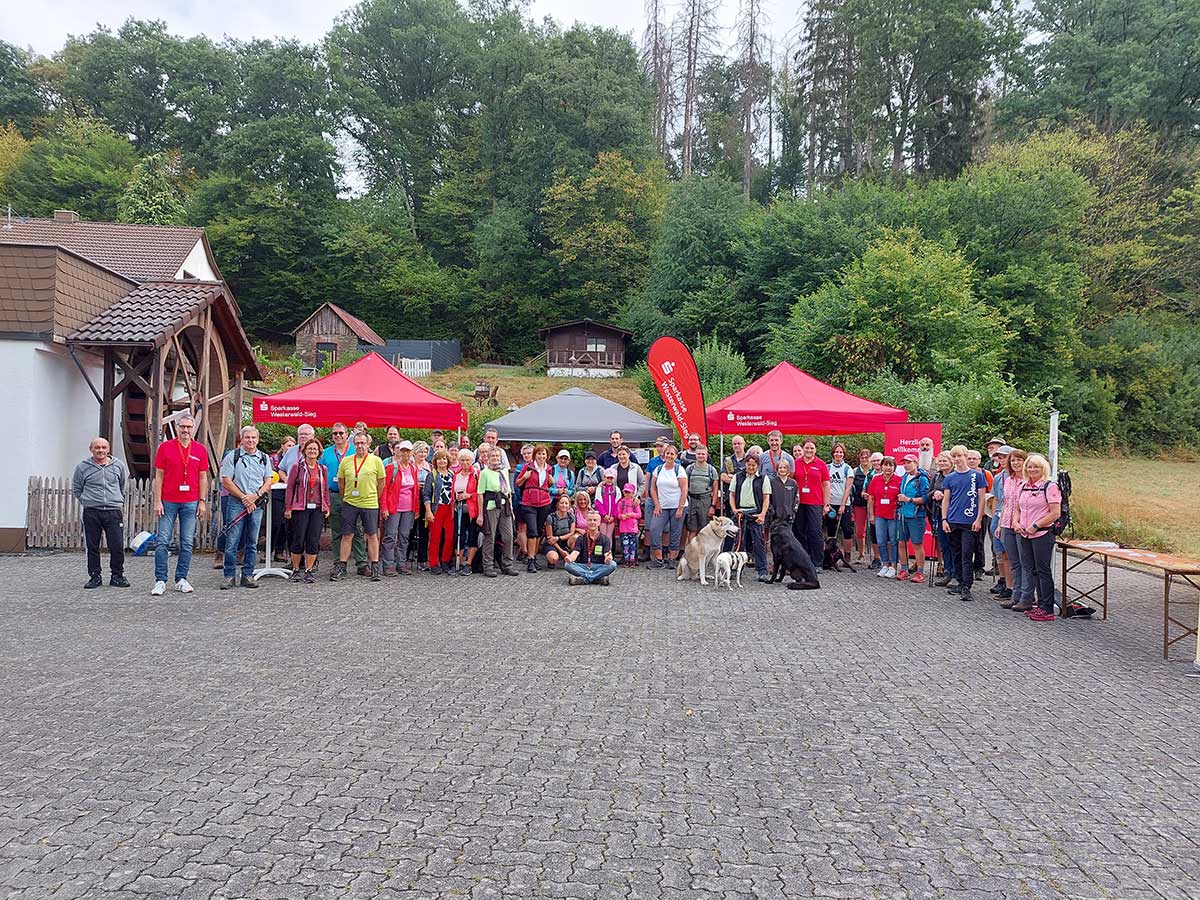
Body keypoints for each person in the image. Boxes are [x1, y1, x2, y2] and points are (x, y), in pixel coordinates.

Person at [150, 414, 209, 595]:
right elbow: (158, 476)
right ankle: (160, 580)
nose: (185, 430)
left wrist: (202, 501)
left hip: (190, 501)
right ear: (177, 428)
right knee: (162, 541)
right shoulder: (165, 448)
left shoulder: (200, 450)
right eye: (182, 427)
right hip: (168, 501)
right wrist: (157, 500)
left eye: (188, 427)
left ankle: (181, 578)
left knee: (187, 542)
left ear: (193, 429)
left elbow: (203, 477)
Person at [218, 426, 273, 590]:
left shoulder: (264, 457)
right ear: (241, 439)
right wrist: (244, 497)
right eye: (247, 437)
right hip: (236, 502)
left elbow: (268, 480)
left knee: (252, 541)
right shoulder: (232, 456)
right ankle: (229, 576)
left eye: (253, 438)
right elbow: (226, 480)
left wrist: (255, 496)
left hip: (256, 502)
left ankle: (247, 575)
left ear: (258, 439)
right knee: (233, 540)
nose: (250, 440)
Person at [72, 437, 130, 588]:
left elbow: (122, 485)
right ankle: (95, 576)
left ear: (108, 449)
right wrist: (88, 501)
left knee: (117, 545)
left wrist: (116, 500)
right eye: (97, 447)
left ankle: (117, 576)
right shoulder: (82, 467)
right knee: (92, 546)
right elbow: (77, 488)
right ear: (91, 449)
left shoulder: (118, 466)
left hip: (113, 511)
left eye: (104, 447)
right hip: (92, 512)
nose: (100, 450)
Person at [332, 432, 386, 582]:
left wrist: (374, 495)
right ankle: (341, 566)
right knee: (347, 535)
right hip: (350, 502)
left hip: (369, 503)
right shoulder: (346, 461)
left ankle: (375, 566)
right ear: (353, 444)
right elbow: (341, 482)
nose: (360, 446)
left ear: (368, 445)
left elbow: (381, 482)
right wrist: (347, 495)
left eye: (363, 443)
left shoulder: (376, 461)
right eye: (357, 443)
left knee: (371, 535)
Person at [1013, 453, 1060, 621]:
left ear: (1043, 469)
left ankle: (1047, 609)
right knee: (1032, 570)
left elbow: (1055, 513)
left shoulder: (1050, 487)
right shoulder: (1024, 486)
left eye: (1036, 467)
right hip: (1024, 533)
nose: (1032, 470)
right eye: (1030, 467)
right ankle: (1039, 605)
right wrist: (1016, 523)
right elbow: (1017, 507)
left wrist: (1036, 525)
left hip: (1042, 534)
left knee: (1043, 571)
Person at [940, 445, 989, 601]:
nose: (957, 459)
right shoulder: (949, 478)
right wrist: (944, 519)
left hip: (969, 520)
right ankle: (960, 581)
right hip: (953, 520)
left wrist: (979, 518)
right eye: (954, 457)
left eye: (959, 456)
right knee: (956, 553)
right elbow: (946, 499)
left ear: (966, 456)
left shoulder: (977, 476)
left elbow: (982, 498)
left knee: (967, 553)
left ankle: (967, 585)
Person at [321, 423, 367, 574]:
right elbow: (320, 473)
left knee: (357, 530)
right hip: (334, 495)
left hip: (354, 495)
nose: (338, 436)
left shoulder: (356, 450)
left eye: (341, 433)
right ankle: (339, 563)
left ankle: (362, 563)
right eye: (335, 433)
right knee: (337, 530)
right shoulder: (326, 453)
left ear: (347, 435)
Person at [284, 437, 330, 583]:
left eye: (315, 449)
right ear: (304, 451)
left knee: (313, 539)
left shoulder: (323, 469)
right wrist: (288, 507)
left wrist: (327, 506)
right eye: (310, 448)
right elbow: (290, 488)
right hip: (300, 507)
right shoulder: (297, 467)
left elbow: (325, 490)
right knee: (299, 538)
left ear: (319, 452)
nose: (312, 451)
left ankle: (309, 570)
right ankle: (296, 569)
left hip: (317, 508)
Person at [476, 447, 518, 577]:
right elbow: (480, 494)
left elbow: (508, 492)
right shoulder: (484, 473)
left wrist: (511, 509)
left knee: (508, 536)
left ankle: (507, 564)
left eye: (497, 456)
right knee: (490, 536)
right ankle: (488, 566)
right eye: (492, 456)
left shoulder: (504, 471)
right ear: (488, 458)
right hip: (491, 507)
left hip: (504, 506)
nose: (495, 458)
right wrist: (480, 514)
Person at [380, 440, 419, 576]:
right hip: (394, 507)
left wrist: (416, 508)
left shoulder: (413, 468)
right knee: (390, 536)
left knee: (404, 536)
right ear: (398, 452)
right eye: (403, 451)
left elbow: (415, 491)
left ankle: (401, 563)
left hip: (408, 508)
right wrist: (384, 507)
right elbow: (384, 489)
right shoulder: (392, 468)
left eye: (408, 451)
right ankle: (388, 564)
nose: (405, 454)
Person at [731, 452, 771, 581]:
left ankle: (762, 570)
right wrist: (734, 509)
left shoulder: (763, 478)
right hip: (741, 514)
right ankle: (736, 570)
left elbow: (766, 498)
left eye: (754, 465)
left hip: (756, 513)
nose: (751, 468)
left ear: (758, 465)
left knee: (758, 543)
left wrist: (763, 514)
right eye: (749, 465)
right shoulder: (738, 477)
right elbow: (732, 494)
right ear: (745, 464)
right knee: (739, 543)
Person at [648, 443, 688, 568]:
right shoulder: (658, 469)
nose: (669, 456)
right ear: (664, 455)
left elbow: (684, 490)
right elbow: (653, 489)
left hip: (677, 506)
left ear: (676, 456)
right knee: (654, 529)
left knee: (675, 532)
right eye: (667, 453)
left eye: (672, 454)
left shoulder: (679, 470)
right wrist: (657, 504)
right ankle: (659, 559)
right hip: (662, 506)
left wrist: (680, 508)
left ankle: (672, 559)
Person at [997, 448, 1028, 608]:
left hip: (1021, 525)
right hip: (1006, 523)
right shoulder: (1008, 480)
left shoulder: (1028, 481)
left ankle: (1025, 596)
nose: (1016, 463)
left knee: (1024, 562)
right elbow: (1005, 503)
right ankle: (1016, 596)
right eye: (1013, 460)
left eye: (1019, 460)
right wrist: (1000, 523)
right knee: (1014, 562)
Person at [793, 440, 831, 570]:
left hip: (815, 502)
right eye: (807, 448)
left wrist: (826, 504)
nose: (809, 451)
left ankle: (817, 563)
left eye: (812, 448)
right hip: (799, 503)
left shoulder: (821, 464)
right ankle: (802, 561)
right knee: (799, 532)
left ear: (815, 450)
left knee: (815, 532)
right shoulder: (796, 463)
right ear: (802, 449)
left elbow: (826, 484)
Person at [517, 445, 553, 572]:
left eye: (543, 454)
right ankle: (530, 559)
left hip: (544, 503)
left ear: (547, 456)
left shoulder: (549, 469)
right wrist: (525, 477)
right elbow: (518, 483)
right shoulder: (528, 467)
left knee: (538, 530)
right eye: (539, 454)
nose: (541, 456)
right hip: (529, 503)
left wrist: (551, 482)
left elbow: (548, 484)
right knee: (532, 530)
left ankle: (534, 557)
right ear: (535, 455)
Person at [896, 454, 930, 583]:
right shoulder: (905, 477)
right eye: (904, 463)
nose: (906, 465)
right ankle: (904, 569)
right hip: (903, 515)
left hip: (916, 516)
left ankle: (920, 572)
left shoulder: (922, 479)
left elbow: (925, 498)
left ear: (916, 463)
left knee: (916, 544)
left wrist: (909, 499)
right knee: (901, 543)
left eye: (909, 462)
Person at [866, 457, 901, 578]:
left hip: (893, 515)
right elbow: (871, 498)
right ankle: (885, 564)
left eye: (891, 465)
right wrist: (871, 514)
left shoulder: (899, 480)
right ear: (882, 466)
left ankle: (893, 566)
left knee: (893, 541)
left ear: (894, 467)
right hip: (879, 515)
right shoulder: (875, 479)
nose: (888, 468)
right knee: (881, 541)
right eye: (886, 465)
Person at [423, 449, 456, 575]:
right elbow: (426, 495)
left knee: (449, 536)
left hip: (449, 509)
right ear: (435, 461)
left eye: (444, 458)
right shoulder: (432, 475)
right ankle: (433, 563)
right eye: (439, 459)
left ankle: (445, 560)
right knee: (435, 537)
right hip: (437, 509)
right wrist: (428, 511)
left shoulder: (452, 474)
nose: (442, 461)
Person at [986, 445, 1013, 599]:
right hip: (997, 516)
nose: (1002, 460)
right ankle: (1003, 580)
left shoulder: (1019, 476)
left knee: (1010, 553)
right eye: (1000, 457)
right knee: (999, 552)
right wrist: (994, 516)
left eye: (1005, 457)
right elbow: (995, 498)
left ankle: (1012, 585)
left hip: (1010, 517)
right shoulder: (998, 477)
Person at [928, 452, 957, 587]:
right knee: (943, 543)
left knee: (954, 545)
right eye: (940, 461)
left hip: (954, 514)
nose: (942, 463)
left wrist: (945, 495)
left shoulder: (956, 476)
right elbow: (928, 493)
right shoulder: (937, 476)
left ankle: (956, 573)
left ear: (951, 462)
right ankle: (947, 571)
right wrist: (934, 493)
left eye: (945, 461)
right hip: (939, 513)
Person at [565, 510, 617, 585]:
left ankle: (585, 579)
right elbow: (575, 553)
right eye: (590, 520)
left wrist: (608, 558)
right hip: (584, 566)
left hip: (598, 566)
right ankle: (596, 578)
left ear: (599, 523)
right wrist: (570, 558)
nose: (592, 522)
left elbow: (607, 554)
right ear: (587, 522)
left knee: (612, 565)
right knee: (567, 565)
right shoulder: (580, 538)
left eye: (595, 520)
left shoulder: (605, 539)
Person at [682, 445, 720, 549]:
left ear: (707, 455)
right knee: (692, 529)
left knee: (704, 529)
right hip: (691, 500)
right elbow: (684, 486)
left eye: (703, 454)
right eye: (698, 454)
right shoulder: (689, 469)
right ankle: (691, 552)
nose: (701, 456)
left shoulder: (711, 470)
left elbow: (715, 490)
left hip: (705, 501)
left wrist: (713, 506)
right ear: (695, 455)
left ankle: (704, 552)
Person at [967, 449, 995, 578]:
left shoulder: (986, 474)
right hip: (965, 512)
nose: (972, 461)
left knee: (979, 541)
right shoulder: (961, 473)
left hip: (981, 512)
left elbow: (992, 494)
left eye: (974, 459)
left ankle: (979, 567)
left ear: (979, 460)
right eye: (969, 458)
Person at [452, 448, 480, 576]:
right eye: (462, 460)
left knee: (472, 537)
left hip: (472, 509)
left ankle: (468, 564)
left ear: (472, 460)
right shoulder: (455, 474)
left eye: (467, 460)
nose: (465, 462)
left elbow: (480, 493)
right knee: (459, 536)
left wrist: (468, 495)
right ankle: (458, 561)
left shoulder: (476, 474)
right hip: (458, 509)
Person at [826, 443, 855, 558]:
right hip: (831, 503)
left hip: (844, 503)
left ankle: (847, 555)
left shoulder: (848, 469)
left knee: (847, 530)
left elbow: (848, 488)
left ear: (844, 454)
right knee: (831, 529)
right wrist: (827, 504)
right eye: (836, 452)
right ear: (833, 453)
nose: (838, 454)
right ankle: (831, 553)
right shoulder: (827, 467)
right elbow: (825, 485)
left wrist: (843, 504)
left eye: (841, 452)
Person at [409, 440, 432, 571]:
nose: (422, 454)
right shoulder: (411, 465)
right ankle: (406, 558)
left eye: (425, 451)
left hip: (425, 499)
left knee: (424, 531)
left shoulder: (428, 466)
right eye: (420, 451)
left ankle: (422, 559)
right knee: (411, 529)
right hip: (413, 499)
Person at [850, 448, 873, 563]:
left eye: (866, 457)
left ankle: (876, 556)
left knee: (875, 530)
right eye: (862, 457)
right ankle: (861, 553)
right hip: (859, 504)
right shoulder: (855, 471)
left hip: (874, 504)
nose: (864, 459)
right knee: (860, 531)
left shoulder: (875, 470)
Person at [544, 494, 578, 568]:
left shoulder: (571, 516)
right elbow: (550, 537)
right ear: (558, 504)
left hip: (565, 541)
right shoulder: (551, 517)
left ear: (569, 505)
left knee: (575, 538)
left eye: (566, 503)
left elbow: (571, 533)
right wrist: (561, 551)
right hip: (553, 543)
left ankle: (572, 555)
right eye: (562, 503)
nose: (564, 505)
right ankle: (554, 557)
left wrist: (558, 538)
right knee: (553, 559)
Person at [719, 435, 749, 517]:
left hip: (745, 497)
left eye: (739, 443)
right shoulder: (728, 460)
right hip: (730, 496)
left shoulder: (749, 459)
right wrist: (739, 479)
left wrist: (732, 477)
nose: (737, 446)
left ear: (744, 444)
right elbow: (723, 476)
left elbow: (750, 476)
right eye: (734, 444)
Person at [768, 457, 799, 530]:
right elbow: (768, 499)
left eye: (784, 468)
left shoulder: (793, 483)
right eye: (780, 468)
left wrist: (793, 511)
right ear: (777, 469)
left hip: (789, 517)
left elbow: (797, 499)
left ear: (788, 469)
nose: (782, 469)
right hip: (775, 517)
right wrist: (771, 511)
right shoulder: (772, 482)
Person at [616, 483, 642, 568]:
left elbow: (639, 514)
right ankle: (626, 560)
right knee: (625, 545)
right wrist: (621, 516)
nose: (627, 494)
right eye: (626, 492)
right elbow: (618, 514)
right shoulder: (621, 502)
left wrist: (631, 514)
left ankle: (632, 560)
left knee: (633, 545)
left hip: (632, 528)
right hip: (624, 528)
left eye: (629, 492)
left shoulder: (635, 502)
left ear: (632, 493)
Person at [594, 468, 620, 544]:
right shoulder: (600, 489)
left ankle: (608, 553)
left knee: (609, 536)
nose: (609, 480)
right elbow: (598, 503)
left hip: (612, 518)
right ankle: (601, 554)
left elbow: (618, 503)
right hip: (602, 518)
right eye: (607, 478)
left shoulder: (616, 489)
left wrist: (613, 516)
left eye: (611, 478)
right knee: (602, 535)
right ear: (604, 477)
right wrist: (604, 514)